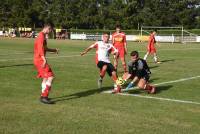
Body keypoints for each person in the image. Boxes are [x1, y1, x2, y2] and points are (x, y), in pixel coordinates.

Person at [33, 23, 59, 104]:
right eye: (51, 30)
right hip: (40, 60)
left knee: (45, 78)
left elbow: (45, 48)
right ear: (48, 28)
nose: (51, 31)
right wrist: (44, 59)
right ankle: (44, 96)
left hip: (38, 59)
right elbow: (40, 49)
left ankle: (43, 96)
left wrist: (54, 50)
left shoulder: (43, 36)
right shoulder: (41, 36)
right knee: (51, 77)